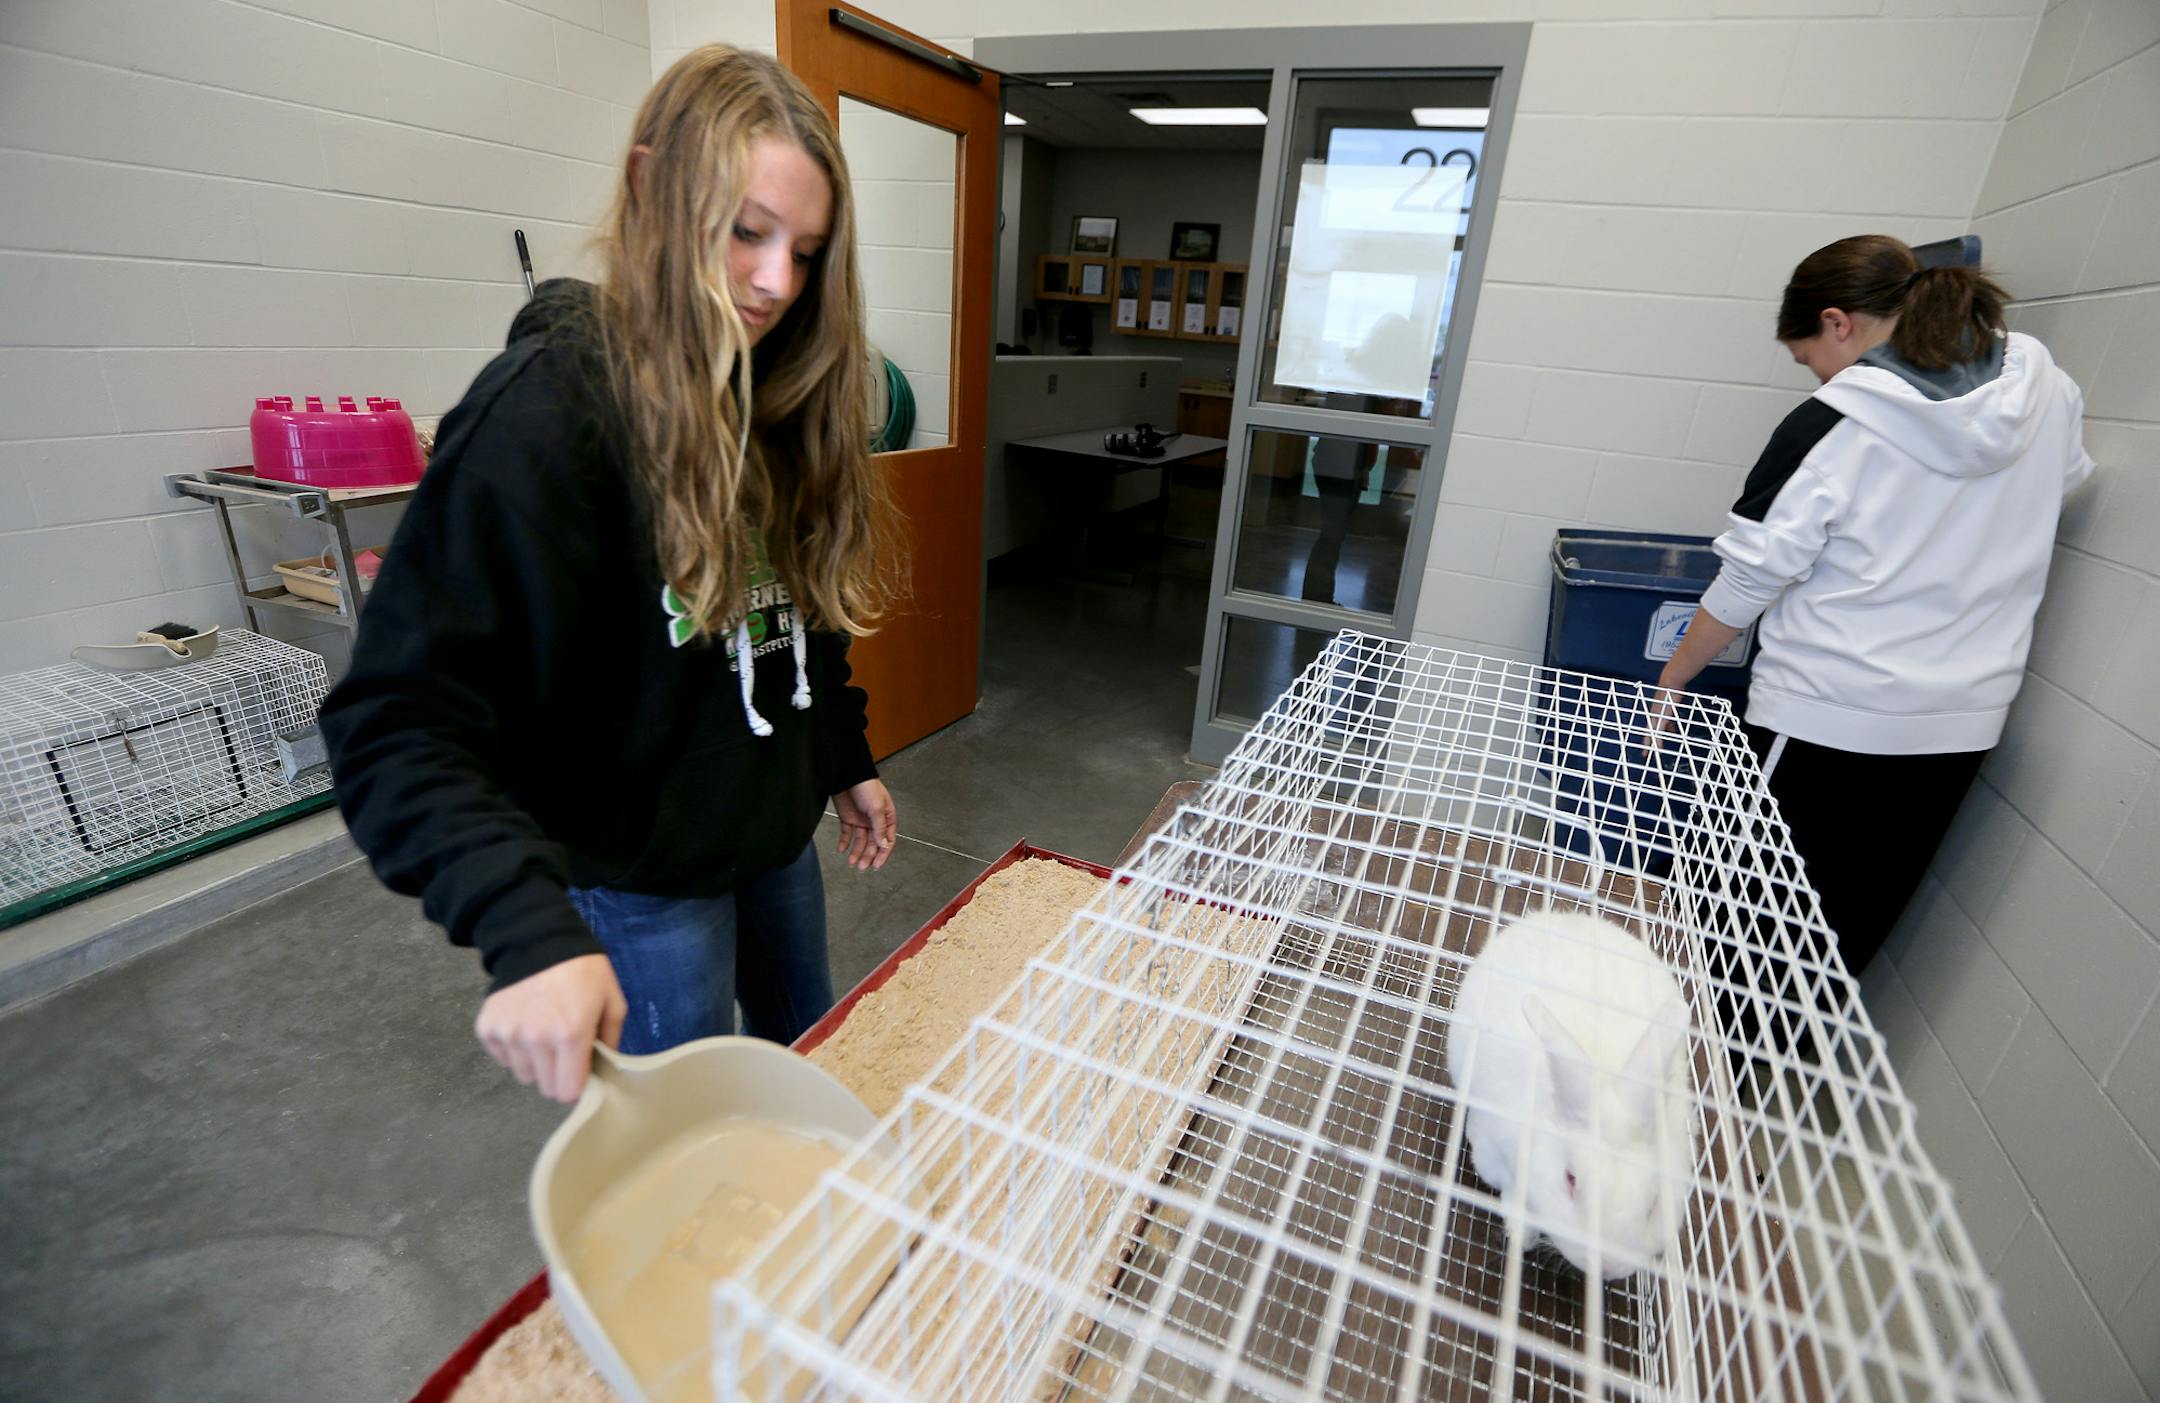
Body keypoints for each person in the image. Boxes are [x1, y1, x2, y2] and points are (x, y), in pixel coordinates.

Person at [320, 46, 902, 1104]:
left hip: (770, 835)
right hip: (639, 873)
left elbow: (794, 620)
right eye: (745, 233)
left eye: (806, 251)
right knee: (694, 1127)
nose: (777, 281)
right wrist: (528, 929)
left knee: (801, 1066)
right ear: (650, 188)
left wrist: (839, 750)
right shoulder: (549, 414)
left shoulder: (776, 391)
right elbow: (396, 717)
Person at [1652, 234, 2092, 985]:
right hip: (1959, 726)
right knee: (1834, 934)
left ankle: (1672, 1072)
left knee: (1728, 920)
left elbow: (1748, 582)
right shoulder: (2046, 385)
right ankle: (1744, 1083)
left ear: (1837, 322)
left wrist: (1674, 678)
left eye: (1805, 355)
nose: (1814, 374)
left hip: (1828, 714)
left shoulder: (1830, 424)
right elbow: (2066, 481)